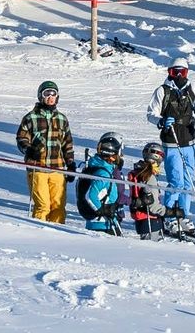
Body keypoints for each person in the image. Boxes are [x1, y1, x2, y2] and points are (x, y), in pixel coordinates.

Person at [153, 60, 195, 239]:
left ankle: (182, 215)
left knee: (187, 182)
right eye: (174, 72)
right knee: (176, 182)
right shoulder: (162, 91)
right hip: (171, 142)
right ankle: (169, 216)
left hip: (189, 141)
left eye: (182, 72)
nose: (178, 76)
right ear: (169, 72)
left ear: (186, 72)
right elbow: (151, 113)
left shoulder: (193, 89)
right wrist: (161, 121)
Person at [17, 83, 75, 223]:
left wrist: (70, 164)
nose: (50, 97)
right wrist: (29, 150)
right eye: (46, 94)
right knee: (43, 206)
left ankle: (56, 232)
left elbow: (67, 143)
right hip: (38, 167)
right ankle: (39, 231)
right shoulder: (31, 117)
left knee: (58, 207)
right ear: (40, 96)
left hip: (58, 168)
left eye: (53, 94)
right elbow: (21, 138)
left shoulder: (61, 119)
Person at [75, 133, 128, 233]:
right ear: (112, 155)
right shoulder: (103, 174)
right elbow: (90, 195)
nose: (121, 157)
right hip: (103, 225)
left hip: (102, 223)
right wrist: (102, 210)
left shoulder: (100, 168)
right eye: (119, 154)